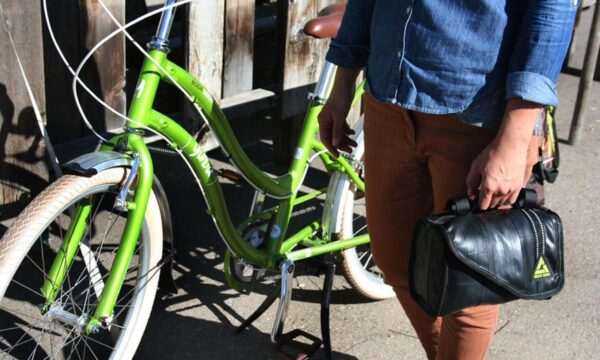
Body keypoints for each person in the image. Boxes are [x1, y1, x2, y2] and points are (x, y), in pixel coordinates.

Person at [318, 1, 578, 359]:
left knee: (468, 288)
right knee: (395, 261)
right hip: (387, 99)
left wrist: (517, 134)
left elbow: (553, 9)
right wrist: (343, 79)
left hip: (477, 111)